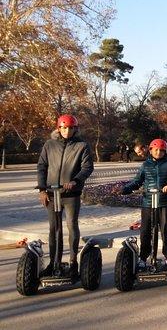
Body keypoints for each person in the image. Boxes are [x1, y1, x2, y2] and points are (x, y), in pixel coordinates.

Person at [36, 114, 94, 278]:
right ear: (58, 128)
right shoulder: (49, 145)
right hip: (52, 194)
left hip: (71, 195)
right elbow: (42, 167)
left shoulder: (82, 146)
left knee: (71, 226)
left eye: (70, 128)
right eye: (64, 127)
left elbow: (87, 167)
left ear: (75, 129)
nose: (67, 131)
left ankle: (73, 263)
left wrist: (75, 181)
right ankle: (54, 263)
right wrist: (42, 189)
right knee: (54, 229)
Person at [120, 138, 167, 268]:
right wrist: (127, 188)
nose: (158, 152)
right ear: (151, 150)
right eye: (156, 150)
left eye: (161, 151)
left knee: (165, 230)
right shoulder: (145, 166)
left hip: (163, 202)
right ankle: (143, 257)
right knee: (145, 231)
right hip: (148, 202)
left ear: (165, 152)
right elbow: (137, 181)